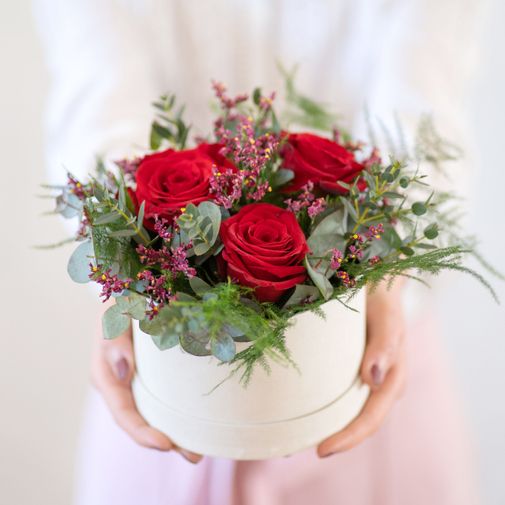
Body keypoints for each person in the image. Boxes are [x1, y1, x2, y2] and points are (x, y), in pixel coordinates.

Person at [34, 1, 486, 503]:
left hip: (367, 354)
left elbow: (422, 108)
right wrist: (123, 249)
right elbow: (99, 92)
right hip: (167, 374)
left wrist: (384, 271)